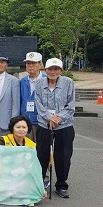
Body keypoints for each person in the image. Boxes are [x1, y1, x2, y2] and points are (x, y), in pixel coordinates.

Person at [35, 58, 75, 199]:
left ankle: (61, 184)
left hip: (64, 125)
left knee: (63, 155)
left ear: (61, 71)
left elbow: (71, 105)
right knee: (42, 154)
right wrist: (49, 118)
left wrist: (58, 118)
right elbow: (38, 104)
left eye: (56, 69)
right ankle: (40, 183)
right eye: (50, 69)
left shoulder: (68, 83)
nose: (52, 72)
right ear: (45, 70)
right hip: (44, 124)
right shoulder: (39, 83)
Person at [20, 52, 46, 142]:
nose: (30, 66)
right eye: (28, 63)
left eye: (34, 63)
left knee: (42, 151)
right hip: (25, 122)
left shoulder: (47, 80)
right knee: (27, 151)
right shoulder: (22, 81)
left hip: (42, 122)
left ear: (40, 64)